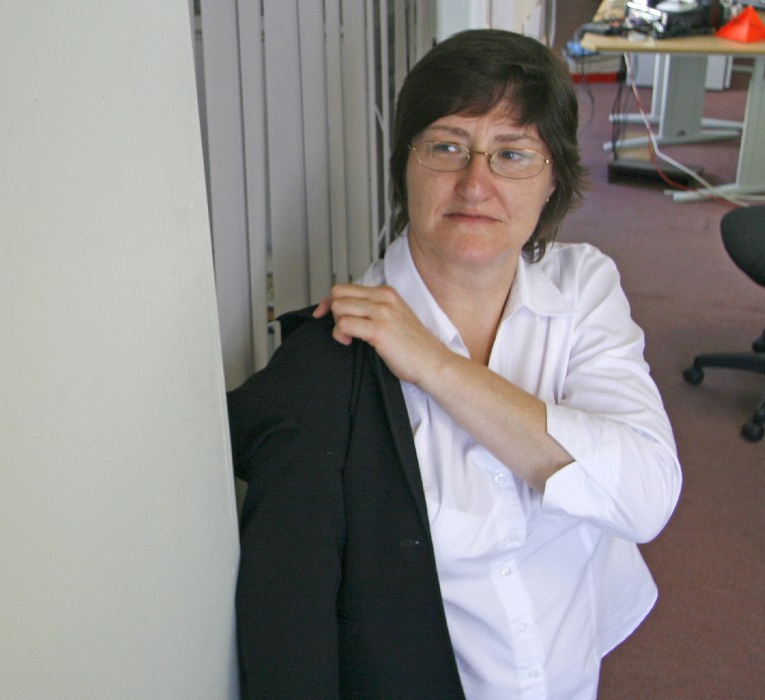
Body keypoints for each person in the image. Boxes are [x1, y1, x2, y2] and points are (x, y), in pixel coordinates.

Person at [229, 29, 682, 699]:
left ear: (553, 175)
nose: (477, 183)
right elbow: (292, 646)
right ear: (403, 165)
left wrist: (437, 367)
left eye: (513, 154)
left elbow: (645, 498)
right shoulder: (329, 368)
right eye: (447, 147)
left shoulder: (582, 288)